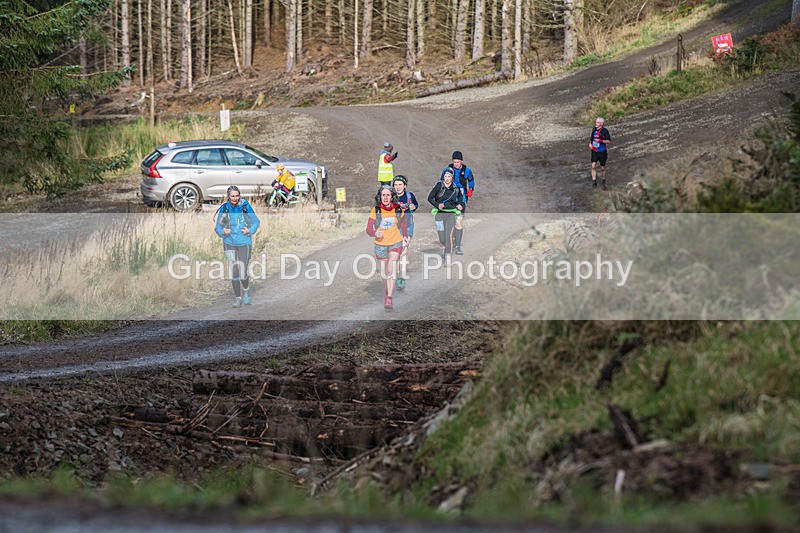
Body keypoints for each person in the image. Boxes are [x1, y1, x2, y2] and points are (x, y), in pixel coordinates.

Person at [214, 186, 261, 308]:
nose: (235, 198)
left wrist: (249, 230)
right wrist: (223, 231)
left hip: (244, 242)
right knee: (234, 271)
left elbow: (256, 221)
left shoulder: (245, 207)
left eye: (237, 195)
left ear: (239, 195)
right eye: (232, 196)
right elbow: (217, 227)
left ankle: (246, 291)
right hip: (229, 243)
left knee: (243, 270)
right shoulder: (224, 208)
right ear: (228, 196)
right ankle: (237, 298)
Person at [366, 185, 409, 310]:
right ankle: (387, 291)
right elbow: (368, 229)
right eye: (383, 195)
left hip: (395, 242)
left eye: (388, 195)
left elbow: (403, 223)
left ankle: (389, 297)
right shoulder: (376, 210)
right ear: (380, 197)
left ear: (392, 197)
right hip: (380, 245)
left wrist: (405, 236)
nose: (385, 197)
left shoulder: (397, 209)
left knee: (391, 270)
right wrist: (375, 233)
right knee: (385, 274)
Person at [439, 150, 474, 254]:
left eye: (458, 162)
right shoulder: (447, 169)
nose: (456, 164)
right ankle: (451, 242)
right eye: (454, 162)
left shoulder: (467, 170)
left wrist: (471, 189)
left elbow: (471, 180)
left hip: (462, 198)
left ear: (461, 161)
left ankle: (458, 246)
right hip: (449, 199)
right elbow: (441, 181)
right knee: (450, 221)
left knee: (458, 221)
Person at [428, 168, 464, 264]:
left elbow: (460, 197)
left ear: (452, 178)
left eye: (449, 176)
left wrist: (459, 204)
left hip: (451, 214)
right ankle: (445, 248)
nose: (447, 178)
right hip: (439, 214)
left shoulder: (455, 188)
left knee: (448, 236)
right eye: (445, 176)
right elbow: (430, 198)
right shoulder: (439, 186)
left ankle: (447, 259)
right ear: (443, 176)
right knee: (442, 238)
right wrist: (437, 205)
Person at [392, 175, 418, 290]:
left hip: (407, 226)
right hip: (394, 228)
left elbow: (415, 204)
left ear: (404, 186)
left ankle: (401, 277)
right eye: (396, 185)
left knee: (403, 251)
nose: (398, 187)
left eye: (400, 185)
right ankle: (399, 276)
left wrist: (413, 206)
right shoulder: (391, 197)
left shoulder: (409, 196)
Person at [589, 117, 611, 189]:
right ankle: (594, 182)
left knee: (602, 168)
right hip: (594, 151)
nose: (596, 123)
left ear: (601, 124)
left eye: (598, 122)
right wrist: (590, 144)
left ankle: (604, 179)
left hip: (602, 152)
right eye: (596, 122)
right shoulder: (594, 130)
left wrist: (601, 141)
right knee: (593, 166)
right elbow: (591, 139)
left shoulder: (605, 131)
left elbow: (609, 141)